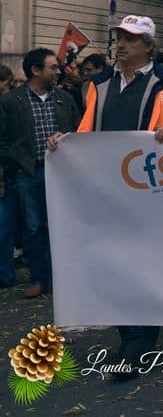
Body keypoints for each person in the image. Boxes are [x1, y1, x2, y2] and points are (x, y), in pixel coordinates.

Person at [74, 15, 163, 381]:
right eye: (119, 38)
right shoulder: (98, 83)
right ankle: (130, 337)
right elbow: (85, 131)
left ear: (148, 46)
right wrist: (62, 144)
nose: (121, 44)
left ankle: (138, 344)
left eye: (130, 39)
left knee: (144, 265)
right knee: (115, 265)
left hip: (150, 191)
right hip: (106, 191)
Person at [0, 48, 81, 296]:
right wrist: (15, 163)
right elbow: (3, 139)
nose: (59, 71)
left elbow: (78, 130)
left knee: (60, 225)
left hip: (61, 173)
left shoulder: (64, 99)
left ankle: (63, 278)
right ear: (36, 70)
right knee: (33, 227)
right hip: (28, 172)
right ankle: (39, 278)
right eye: (53, 67)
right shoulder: (11, 101)